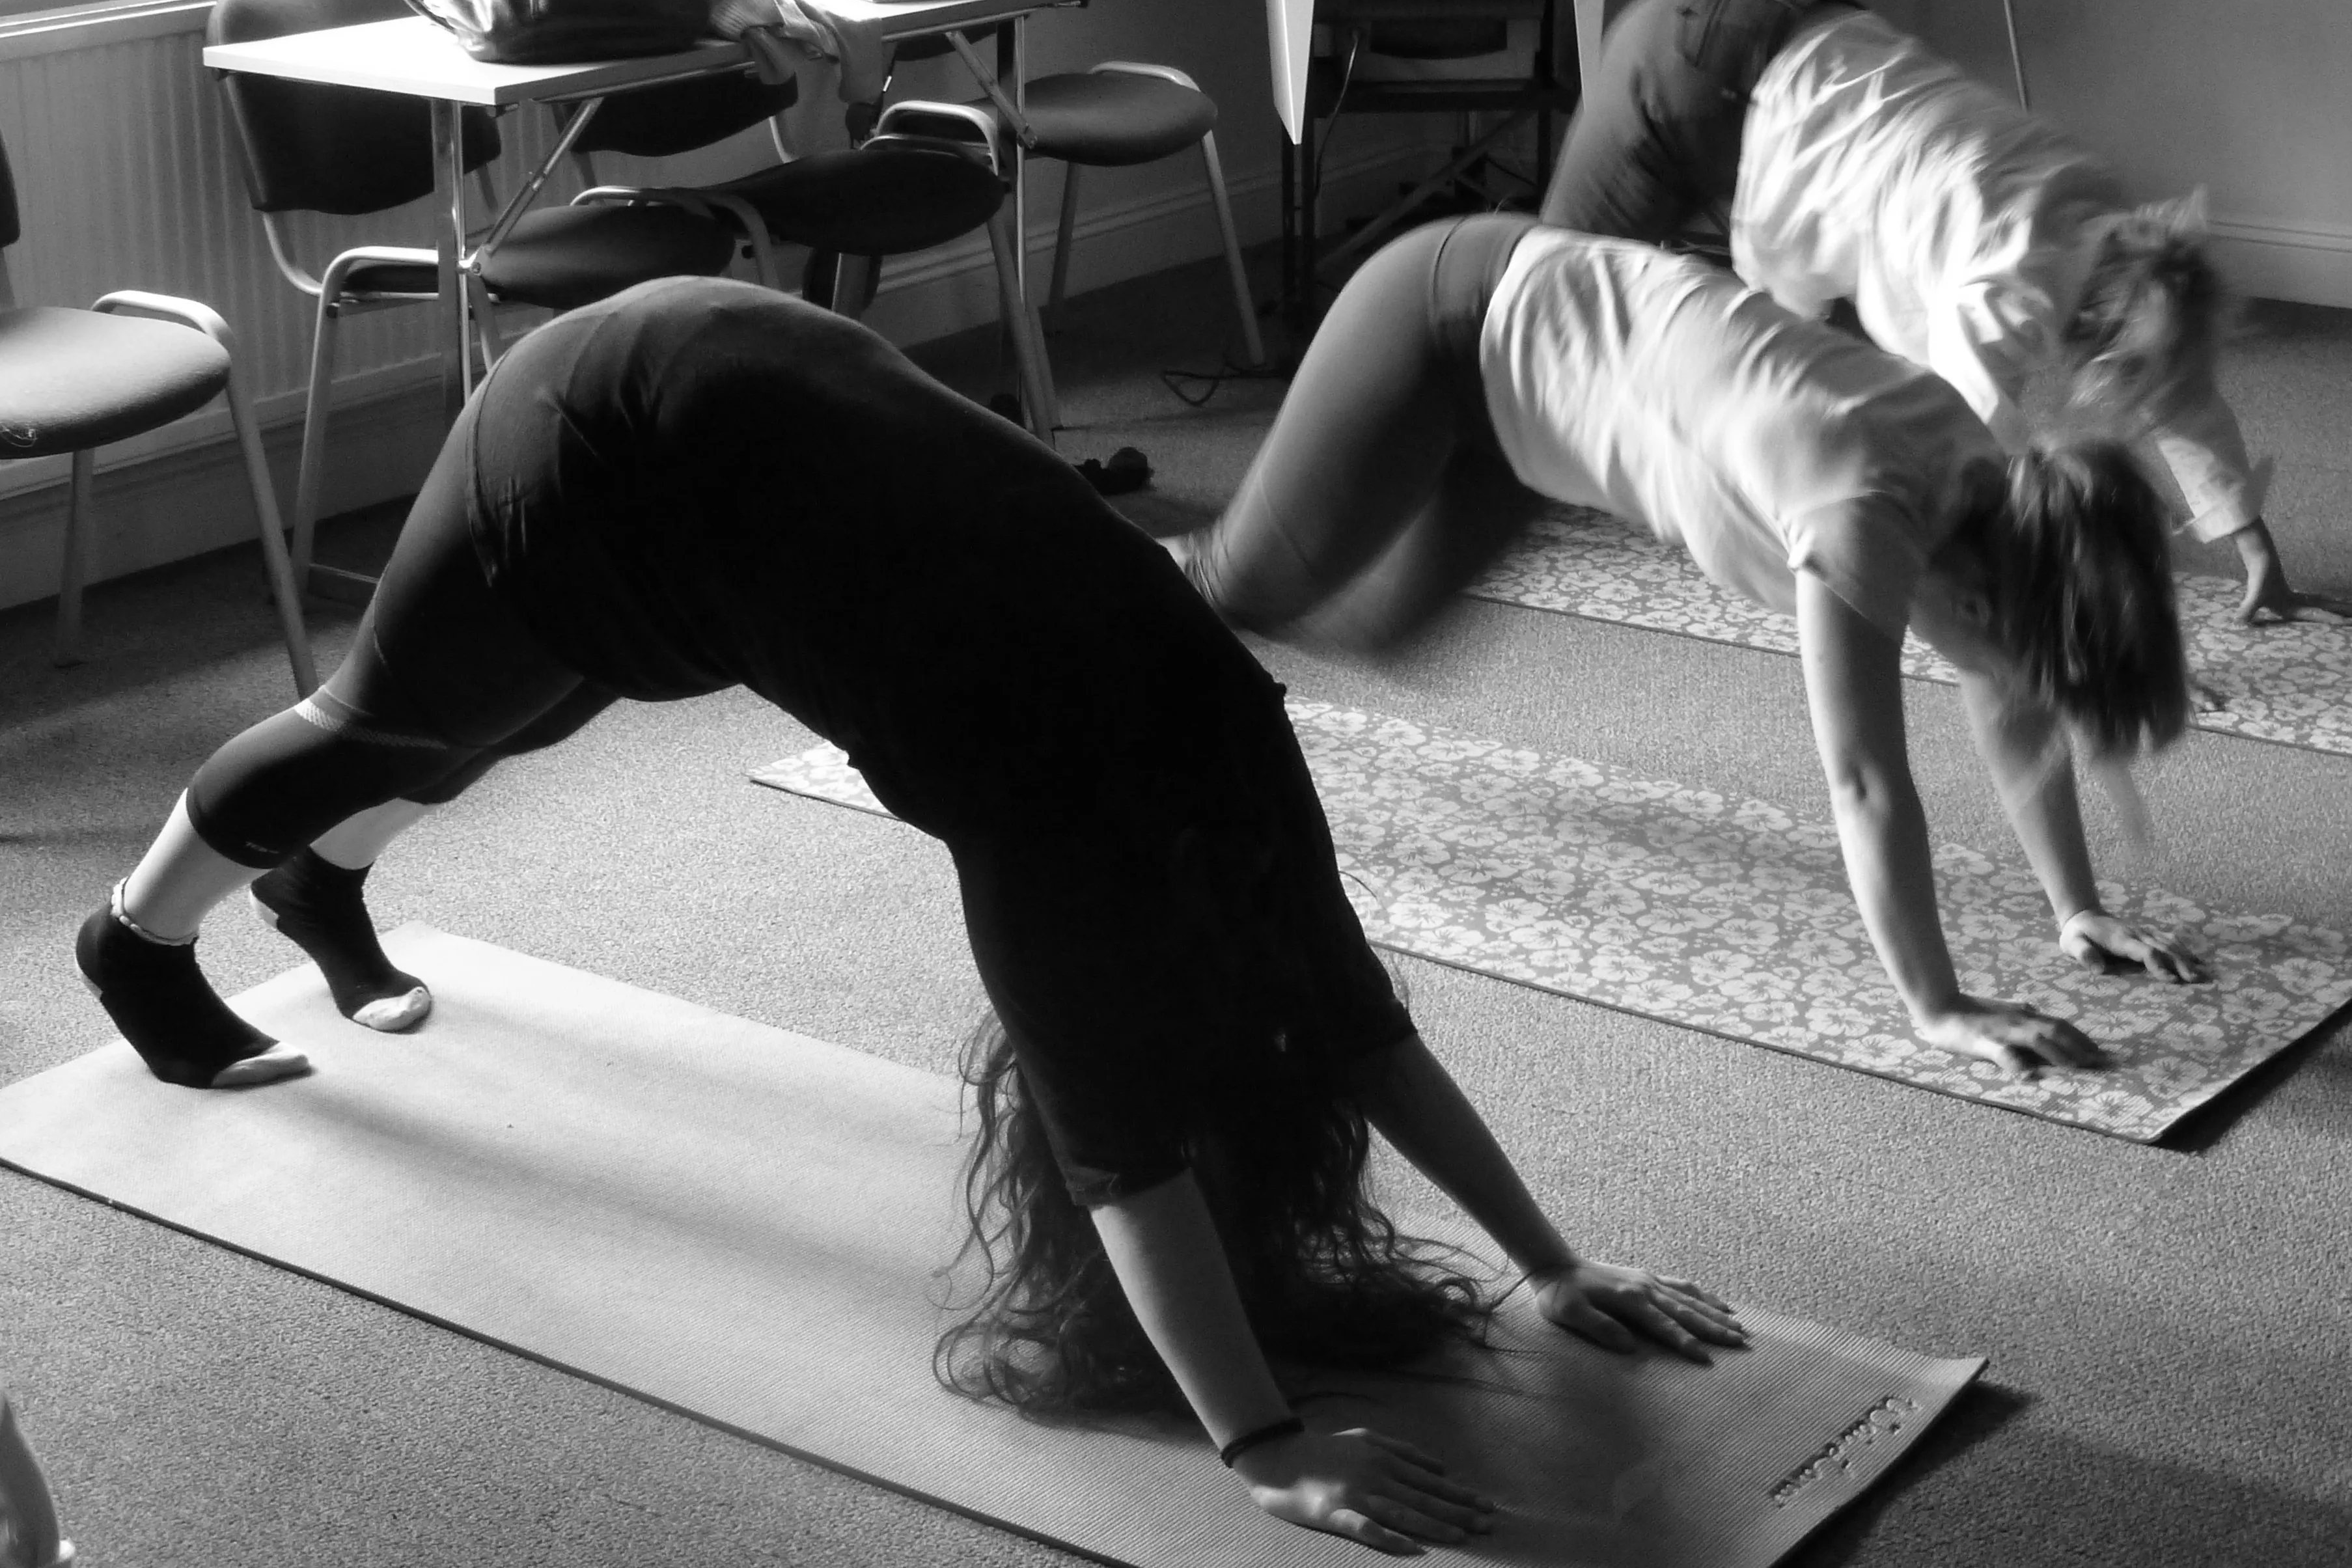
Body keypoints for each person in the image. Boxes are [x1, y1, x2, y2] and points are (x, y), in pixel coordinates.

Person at [75, 277, 1745, 1555]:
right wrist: (1262, 1442)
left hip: (756, 441)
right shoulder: (1058, 830)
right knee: (390, 717)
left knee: (518, 709)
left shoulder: (1234, 739)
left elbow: (1359, 1024)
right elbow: (1124, 1161)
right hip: (606, 435)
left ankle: (323, 884)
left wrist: (1554, 1262)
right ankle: (138, 945)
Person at [1168, 215, 2211, 1080]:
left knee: (1395, 634)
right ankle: (1049, 548)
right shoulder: (1860, 509)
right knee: (1234, 585)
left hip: (1531, 371)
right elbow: (1863, 782)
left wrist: (2076, 906)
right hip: (1443, 323)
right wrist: (1936, 1005)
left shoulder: (1992, 492)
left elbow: (2011, 692)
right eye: (2006, 658)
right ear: (1982, 604)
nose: (2007, 689)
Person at [1534, 0, 2349, 627]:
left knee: (1818, 376)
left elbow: (2179, 397)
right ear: (2098, 332)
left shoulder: (2106, 219)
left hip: (1788, 7)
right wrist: (2090, 636)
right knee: (1541, 316)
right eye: (2117, 380)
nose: (2116, 400)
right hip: (1694, 71)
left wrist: (2256, 553)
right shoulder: (2008, 290)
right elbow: (1964, 459)